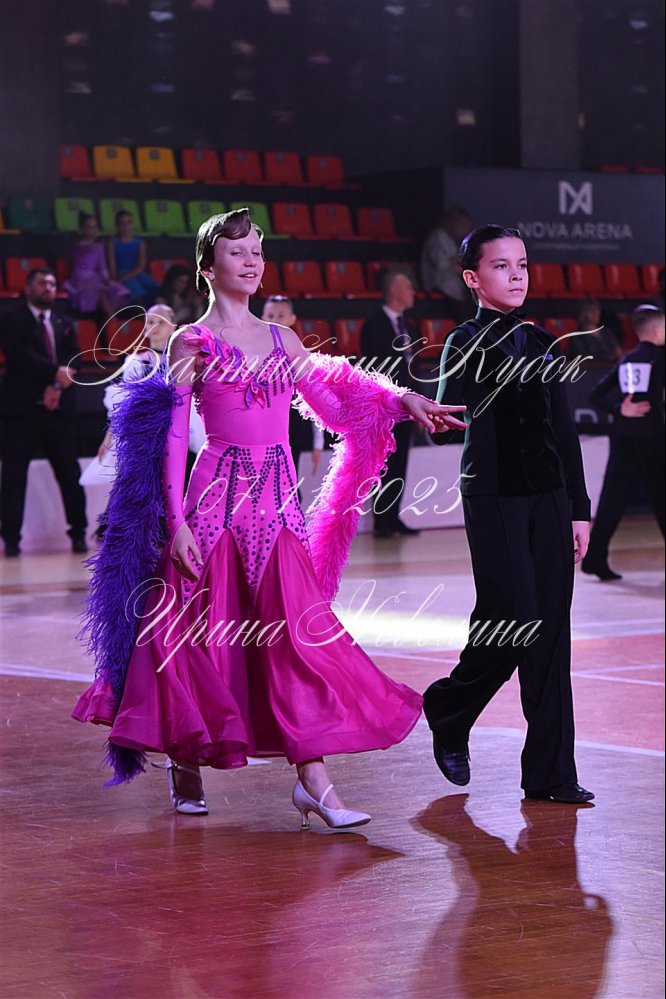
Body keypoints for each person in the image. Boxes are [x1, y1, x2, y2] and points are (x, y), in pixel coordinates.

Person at [72, 208, 466, 826]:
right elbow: (172, 439)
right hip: (212, 507)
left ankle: (314, 780)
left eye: (258, 251)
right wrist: (174, 522)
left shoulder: (284, 341)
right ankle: (186, 758)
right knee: (193, 635)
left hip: (278, 511)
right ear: (208, 268)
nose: (252, 262)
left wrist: (400, 401)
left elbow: (338, 410)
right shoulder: (190, 342)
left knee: (295, 641)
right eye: (238, 252)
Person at [423, 224, 595, 805]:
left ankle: (550, 773)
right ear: (473, 279)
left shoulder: (545, 342)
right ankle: (450, 707)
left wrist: (579, 509)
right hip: (492, 497)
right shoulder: (462, 341)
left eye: (522, 264)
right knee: (513, 618)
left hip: (549, 499)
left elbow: (564, 432)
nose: (517, 275)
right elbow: (449, 421)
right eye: (502, 266)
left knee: (551, 634)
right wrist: (441, 416)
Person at [0, 268, 88, 557]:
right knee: (14, 476)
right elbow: (19, 355)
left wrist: (58, 385)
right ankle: (11, 538)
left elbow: (76, 359)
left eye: (52, 283)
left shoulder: (65, 322)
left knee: (69, 474)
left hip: (59, 410)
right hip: (22, 410)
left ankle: (78, 533)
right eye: (42, 283)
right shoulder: (11, 319)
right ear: (28, 288)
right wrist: (55, 373)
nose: (48, 287)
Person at [582, 305, 665, 581]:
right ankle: (594, 558)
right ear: (656, 329)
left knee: (613, 499)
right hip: (651, 437)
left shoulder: (629, 359)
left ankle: (594, 558)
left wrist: (620, 410)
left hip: (624, 436)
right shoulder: (659, 358)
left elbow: (596, 394)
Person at [98, 304, 205, 472]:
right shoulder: (136, 362)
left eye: (161, 322)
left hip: (181, 434)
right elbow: (121, 404)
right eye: (150, 322)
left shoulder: (187, 361)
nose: (154, 326)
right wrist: (108, 440)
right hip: (147, 436)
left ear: (173, 326)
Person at [360, 266, 420, 538]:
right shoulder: (374, 325)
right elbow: (374, 369)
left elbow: (411, 367)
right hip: (384, 407)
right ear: (394, 290)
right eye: (407, 286)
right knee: (383, 463)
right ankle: (382, 520)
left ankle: (393, 516)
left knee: (400, 462)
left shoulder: (409, 326)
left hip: (407, 407)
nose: (412, 292)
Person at [260, 295, 325, 489]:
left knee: (288, 482)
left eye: (281, 315)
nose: (275, 320)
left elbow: (313, 398)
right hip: (259, 426)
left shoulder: (299, 354)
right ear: (262, 318)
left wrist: (318, 442)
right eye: (270, 315)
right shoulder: (252, 353)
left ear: (292, 319)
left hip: (290, 427)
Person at [64, 214, 128, 319]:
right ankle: (112, 321)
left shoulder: (100, 247)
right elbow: (86, 249)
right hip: (80, 279)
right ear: (82, 229)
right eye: (89, 227)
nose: (92, 231)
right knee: (101, 292)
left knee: (119, 291)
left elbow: (102, 267)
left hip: (95, 278)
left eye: (94, 227)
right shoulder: (79, 245)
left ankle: (110, 318)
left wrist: (107, 280)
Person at [420, 207, 473, 323]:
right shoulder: (438, 236)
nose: (466, 228)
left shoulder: (450, 240)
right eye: (463, 224)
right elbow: (440, 263)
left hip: (455, 290)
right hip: (440, 288)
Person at [107, 210, 159, 307]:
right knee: (138, 294)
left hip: (137, 274)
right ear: (117, 225)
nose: (126, 226)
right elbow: (112, 264)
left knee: (155, 288)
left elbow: (141, 266)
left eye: (128, 222)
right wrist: (116, 280)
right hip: (121, 273)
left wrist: (126, 277)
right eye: (122, 223)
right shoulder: (113, 243)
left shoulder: (139, 243)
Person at [576, 298, 623, 362]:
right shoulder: (578, 337)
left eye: (597, 309)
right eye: (591, 310)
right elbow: (585, 359)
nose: (595, 312)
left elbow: (619, 354)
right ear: (583, 313)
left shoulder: (607, 332)